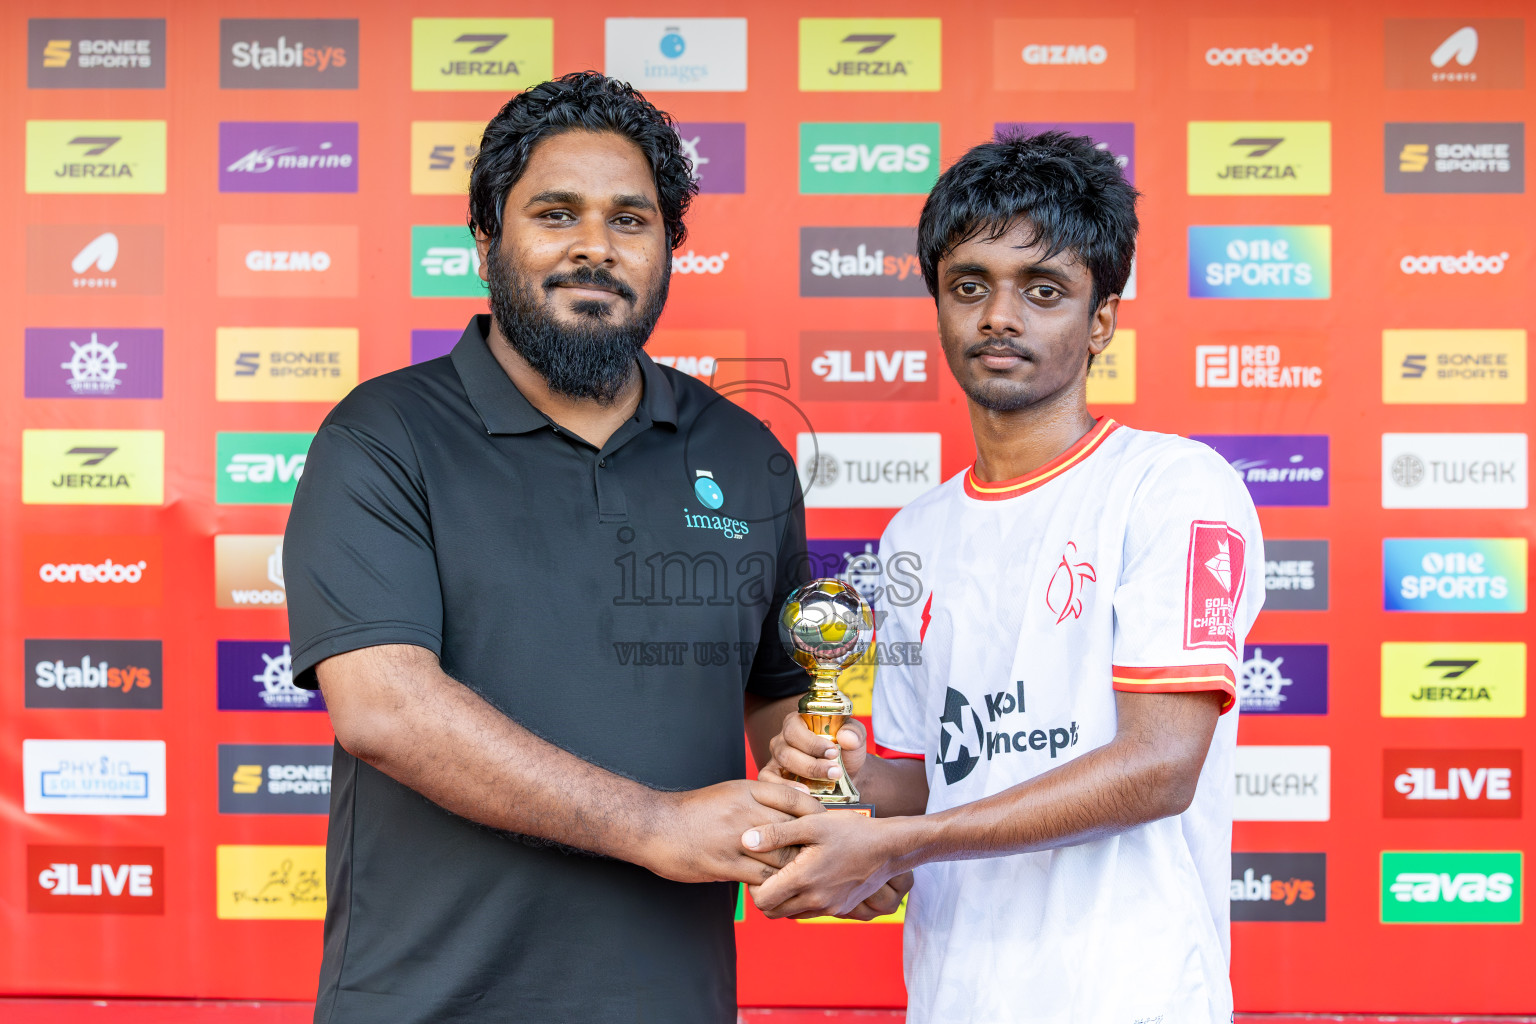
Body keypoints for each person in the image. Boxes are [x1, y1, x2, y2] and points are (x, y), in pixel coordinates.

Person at [283, 72, 894, 1024]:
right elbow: (384, 707)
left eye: (631, 220)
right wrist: (657, 826)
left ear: (669, 249)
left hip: (670, 1000)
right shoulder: (384, 434)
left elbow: (780, 695)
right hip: (429, 1002)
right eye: (556, 213)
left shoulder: (744, 453)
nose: (594, 249)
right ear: (487, 239)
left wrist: (824, 803)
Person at [747, 131, 1265, 1024]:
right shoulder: (917, 531)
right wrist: (839, 788)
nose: (999, 316)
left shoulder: (1173, 486)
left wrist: (901, 841)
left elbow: (1159, 767)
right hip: (953, 998)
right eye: (971, 285)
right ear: (941, 305)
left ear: (1100, 320)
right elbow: (919, 779)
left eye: (1044, 290)